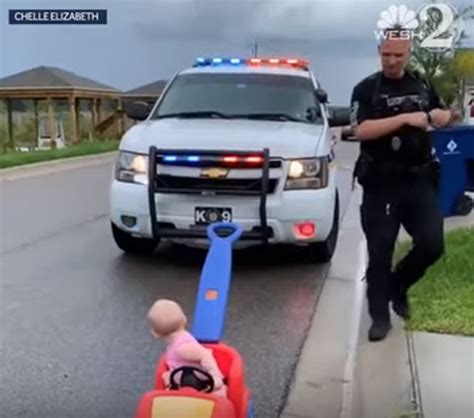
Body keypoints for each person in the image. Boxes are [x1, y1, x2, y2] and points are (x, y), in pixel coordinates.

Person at [350, 28, 460, 342]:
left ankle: (398, 286)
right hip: (382, 183)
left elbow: (442, 114)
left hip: (418, 180)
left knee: (432, 245)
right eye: (387, 54)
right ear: (379, 52)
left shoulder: (422, 83)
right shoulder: (367, 89)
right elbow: (361, 130)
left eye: (399, 55)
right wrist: (404, 119)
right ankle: (379, 318)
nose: (392, 61)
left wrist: (442, 115)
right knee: (380, 250)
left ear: (408, 53)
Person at [147, 298, 227, 396]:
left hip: (200, 382)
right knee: (165, 375)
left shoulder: (182, 348)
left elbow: (205, 353)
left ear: (155, 333)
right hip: (184, 379)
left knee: (219, 392)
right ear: (184, 320)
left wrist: (214, 374)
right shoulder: (177, 343)